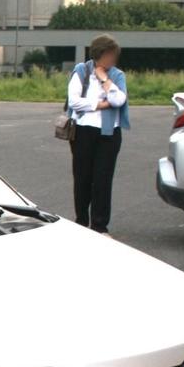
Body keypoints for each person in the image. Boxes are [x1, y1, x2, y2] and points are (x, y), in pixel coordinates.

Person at [67, 34, 130, 233]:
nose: (112, 59)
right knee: (82, 178)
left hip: (109, 134)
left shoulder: (117, 75)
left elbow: (119, 100)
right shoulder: (81, 71)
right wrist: (100, 104)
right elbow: (74, 102)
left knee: (103, 180)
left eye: (114, 56)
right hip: (82, 132)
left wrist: (105, 79)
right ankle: (81, 222)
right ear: (98, 54)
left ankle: (100, 226)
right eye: (109, 55)